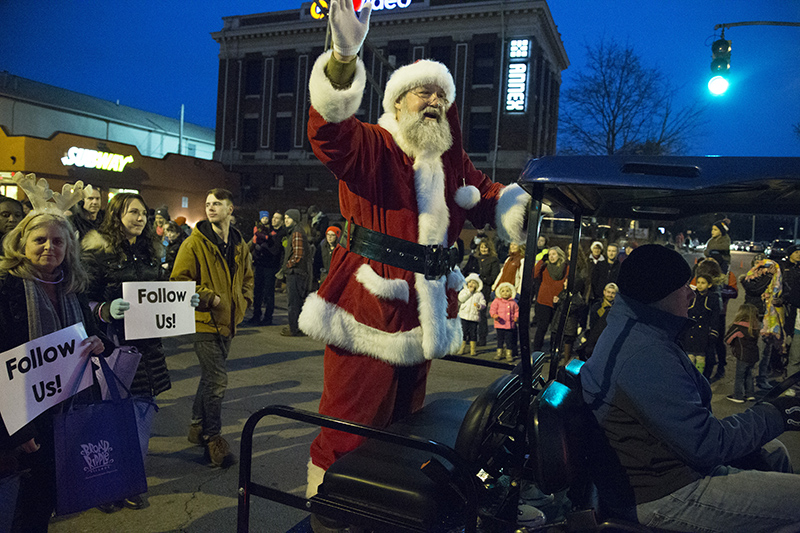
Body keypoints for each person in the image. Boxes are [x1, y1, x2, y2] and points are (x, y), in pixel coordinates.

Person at [298, 0, 530, 508]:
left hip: (423, 310)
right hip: (369, 309)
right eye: (422, 91)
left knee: (406, 426)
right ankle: (329, 510)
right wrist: (342, 58)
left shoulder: (452, 163)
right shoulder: (376, 145)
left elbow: (488, 195)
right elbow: (330, 136)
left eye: (442, 94)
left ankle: (384, 509)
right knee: (350, 424)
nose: (433, 100)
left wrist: (526, 203)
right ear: (397, 103)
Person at [580, 244, 800, 531]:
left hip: (663, 467)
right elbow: (706, 446)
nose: (691, 291)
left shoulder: (637, 330)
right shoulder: (645, 354)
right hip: (662, 491)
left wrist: (770, 416)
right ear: (659, 294)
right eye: (684, 286)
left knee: (774, 450)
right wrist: (775, 414)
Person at [0, 174, 109, 532]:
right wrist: (16, 429)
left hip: (62, 413)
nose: (49, 247)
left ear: (69, 248)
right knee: (19, 505)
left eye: (58, 241)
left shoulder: (71, 287)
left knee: (42, 500)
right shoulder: (7, 287)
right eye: (40, 239)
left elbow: (91, 335)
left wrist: (98, 342)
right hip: (18, 419)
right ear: (22, 242)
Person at [82, 192, 188, 511]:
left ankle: (127, 483)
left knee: (140, 423)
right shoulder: (98, 255)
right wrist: (103, 309)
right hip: (113, 351)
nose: (140, 218)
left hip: (149, 353)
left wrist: (184, 303)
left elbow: (160, 296)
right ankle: (105, 487)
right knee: (113, 424)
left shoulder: (150, 255)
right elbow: (80, 301)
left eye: (144, 213)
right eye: (133, 212)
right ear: (117, 215)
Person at [170, 188, 254, 468]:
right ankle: (213, 437)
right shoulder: (194, 244)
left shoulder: (239, 243)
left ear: (231, 209)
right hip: (202, 321)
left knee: (209, 378)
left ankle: (196, 425)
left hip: (228, 323)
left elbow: (248, 277)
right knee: (218, 381)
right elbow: (178, 281)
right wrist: (211, 297)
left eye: (217, 204)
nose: (210, 208)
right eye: (207, 204)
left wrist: (244, 300)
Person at [741, 256, 785, 390]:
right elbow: (756, 289)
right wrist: (768, 277)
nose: (763, 268)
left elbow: (779, 293)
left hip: (768, 319)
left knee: (766, 350)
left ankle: (762, 378)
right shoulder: (747, 279)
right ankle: (748, 381)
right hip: (753, 318)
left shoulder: (775, 279)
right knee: (753, 351)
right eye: (759, 264)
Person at [693, 257, 738, 382]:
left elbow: (734, 293)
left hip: (718, 315)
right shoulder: (704, 281)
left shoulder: (724, 279)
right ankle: (705, 372)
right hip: (703, 316)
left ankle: (719, 368)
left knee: (716, 342)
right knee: (708, 344)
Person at [463, 239, 501, 346]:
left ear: (489, 248)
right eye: (482, 247)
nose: (483, 249)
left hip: (484, 290)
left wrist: (480, 279)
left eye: (486, 247)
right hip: (471, 288)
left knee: (481, 314)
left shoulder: (493, 260)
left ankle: (482, 338)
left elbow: (493, 276)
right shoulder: (474, 258)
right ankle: (469, 337)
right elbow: (465, 270)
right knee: (468, 312)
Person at [532, 247, 569, 352]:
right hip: (544, 300)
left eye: (554, 254)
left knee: (556, 329)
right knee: (542, 327)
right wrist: (541, 261)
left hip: (559, 300)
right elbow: (534, 274)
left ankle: (554, 350)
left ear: (559, 255)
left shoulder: (566, 267)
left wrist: (562, 296)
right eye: (549, 254)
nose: (551, 257)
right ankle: (536, 350)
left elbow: (568, 281)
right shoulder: (545, 266)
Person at [281, 208, 310, 337]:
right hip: (298, 272)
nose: (286, 220)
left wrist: (288, 266)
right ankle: (296, 326)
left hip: (296, 272)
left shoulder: (296, 233)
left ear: (295, 219)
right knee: (297, 301)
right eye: (285, 218)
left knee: (293, 302)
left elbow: (298, 255)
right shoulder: (296, 231)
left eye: (289, 218)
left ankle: (293, 328)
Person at [682, 274, 720, 375]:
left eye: (703, 283)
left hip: (703, 334)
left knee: (700, 358)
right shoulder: (692, 297)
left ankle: (699, 378)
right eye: (698, 282)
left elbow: (715, 318)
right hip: (691, 332)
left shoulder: (712, 299)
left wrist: (713, 333)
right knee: (689, 357)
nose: (699, 285)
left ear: (709, 285)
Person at [724, 303, 761, 403]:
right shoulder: (755, 327)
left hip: (742, 355)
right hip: (753, 355)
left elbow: (727, 339)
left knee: (739, 376)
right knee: (749, 374)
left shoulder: (738, 327)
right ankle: (750, 394)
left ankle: (738, 395)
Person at [575, 282, 617, 360]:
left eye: (613, 293)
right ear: (604, 292)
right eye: (608, 292)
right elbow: (593, 324)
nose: (610, 295)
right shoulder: (597, 306)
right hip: (595, 338)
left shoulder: (616, 309)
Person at [457, 273, 486, 356]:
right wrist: (469, 293)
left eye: (473, 283)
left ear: (477, 285)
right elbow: (461, 299)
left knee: (473, 333)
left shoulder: (479, 294)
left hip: (474, 317)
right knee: (463, 332)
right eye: (470, 282)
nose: (471, 284)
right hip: (464, 316)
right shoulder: (464, 291)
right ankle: (462, 348)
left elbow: (483, 303)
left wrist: (479, 306)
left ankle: (472, 349)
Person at [490, 282, 519, 362]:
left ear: (511, 292)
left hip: (510, 325)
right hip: (500, 324)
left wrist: (516, 317)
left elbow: (516, 311)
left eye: (507, 291)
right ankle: (499, 353)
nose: (505, 293)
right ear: (499, 292)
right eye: (503, 291)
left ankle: (508, 354)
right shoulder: (497, 301)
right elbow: (492, 309)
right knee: (500, 339)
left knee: (509, 340)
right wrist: (494, 315)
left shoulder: (513, 302)